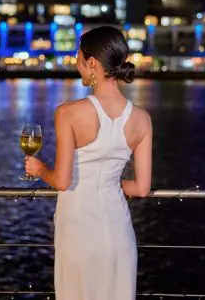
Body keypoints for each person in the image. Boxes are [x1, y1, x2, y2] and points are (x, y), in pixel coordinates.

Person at [25, 25, 153, 300]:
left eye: (79, 59)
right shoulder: (142, 119)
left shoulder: (69, 112)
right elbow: (142, 188)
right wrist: (109, 183)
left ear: (92, 63)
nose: (76, 66)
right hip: (119, 232)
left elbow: (62, 180)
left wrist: (39, 169)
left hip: (80, 230)